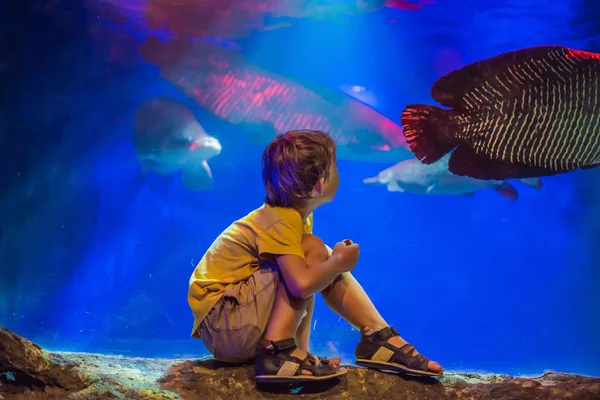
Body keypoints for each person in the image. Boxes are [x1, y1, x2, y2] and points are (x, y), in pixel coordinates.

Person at [188, 129, 443, 383]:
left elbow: (301, 287)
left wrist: (329, 265)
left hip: (230, 328)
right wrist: (338, 263)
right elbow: (300, 286)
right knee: (314, 255)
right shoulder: (281, 220)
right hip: (226, 325)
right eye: (335, 169)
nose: (338, 176)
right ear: (320, 183)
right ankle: (286, 353)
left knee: (313, 259)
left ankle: (366, 337)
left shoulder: (290, 218)